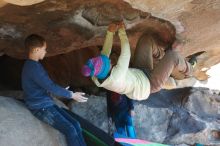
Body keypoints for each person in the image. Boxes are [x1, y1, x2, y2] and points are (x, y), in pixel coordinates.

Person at [82, 22, 195, 101]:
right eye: (110, 64)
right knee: (173, 56)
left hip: (139, 72)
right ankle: (191, 70)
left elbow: (105, 53)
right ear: (108, 70)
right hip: (149, 84)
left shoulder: (97, 73)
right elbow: (126, 52)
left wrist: (110, 32)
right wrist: (121, 31)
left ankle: (163, 58)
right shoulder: (117, 76)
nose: (111, 61)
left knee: (146, 40)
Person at [22, 34, 88, 146]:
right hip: (40, 107)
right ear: (36, 49)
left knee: (76, 124)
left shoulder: (32, 65)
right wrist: (71, 95)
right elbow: (50, 86)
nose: (45, 52)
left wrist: (61, 90)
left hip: (46, 103)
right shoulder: (33, 67)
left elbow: (45, 86)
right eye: (44, 49)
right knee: (70, 129)